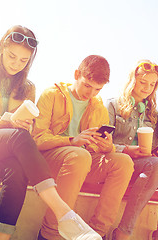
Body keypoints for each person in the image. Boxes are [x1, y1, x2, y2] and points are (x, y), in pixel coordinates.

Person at [0, 25, 101, 240]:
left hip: (3, 149)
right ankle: (64, 214)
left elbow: (25, 129)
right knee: (19, 139)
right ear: (1, 48)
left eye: (23, 60)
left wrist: (23, 125)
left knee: (18, 172)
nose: (16, 64)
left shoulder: (28, 87)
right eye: (12, 56)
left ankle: (0, 238)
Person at [32, 55, 135, 239]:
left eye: (97, 89)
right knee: (79, 155)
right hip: (51, 159)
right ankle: (50, 234)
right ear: (77, 74)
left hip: (82, 161)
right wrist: (72, 141)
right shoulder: (51, 95)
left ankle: (96, 234)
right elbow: (37, 139)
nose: (91, 94)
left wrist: (107, 147)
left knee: (124, 162)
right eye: (87, 85)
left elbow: (99, 149)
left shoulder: (98, 107)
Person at [106, 60, 158, 240]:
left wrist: (156, 152)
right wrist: (128, 150)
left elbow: (151, 148)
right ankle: (123, 232)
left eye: (152, 84)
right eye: (143, 82)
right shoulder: (112, 105)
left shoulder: (152, 113)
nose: (147, 88)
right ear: (132, 80)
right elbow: (103, 144)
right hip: (119, 160)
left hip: (144, 164)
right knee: (156, 166)